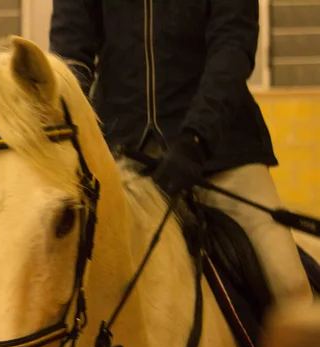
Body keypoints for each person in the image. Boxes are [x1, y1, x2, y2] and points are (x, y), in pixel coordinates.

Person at [49, 0, 313, 307]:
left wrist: (196, 139)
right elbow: (71, 55)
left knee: (290, 288)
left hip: (223, 151)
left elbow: (232, 47)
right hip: (122, 153)